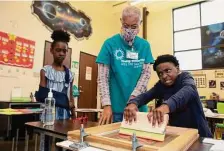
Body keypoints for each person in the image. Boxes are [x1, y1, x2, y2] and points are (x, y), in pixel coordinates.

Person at [124, 54, 213, 137]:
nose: (164, 76)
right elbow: (146, 96)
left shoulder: (185, 77)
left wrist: (166, 106)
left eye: (168, 71)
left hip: (199, 135)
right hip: (179, 136)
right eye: (160, 74)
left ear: (177, 69)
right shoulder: (161, 86)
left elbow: (189, 90)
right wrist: (133, 103)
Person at [96, 6, 154, 125]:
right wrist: (106, 104)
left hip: (138, 108)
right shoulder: (109, 44)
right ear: (121, 21)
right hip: (115, 109)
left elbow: (145, 76)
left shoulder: (144, 46)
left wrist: (133, 101)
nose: (129, 30)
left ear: (140, 23)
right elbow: (102, 77)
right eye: (126, 26)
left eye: (134, 27)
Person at [39, 30, 76, 150]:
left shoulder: (69, 74)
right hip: (48, 112)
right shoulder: (45, 71)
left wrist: (73, 112)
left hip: (64, 113)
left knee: (62, 141)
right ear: (51, 50)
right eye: (58, 50)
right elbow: (42, 94)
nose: (61, 53)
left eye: (64, 51)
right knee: (46, 140)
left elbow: (70, 96)